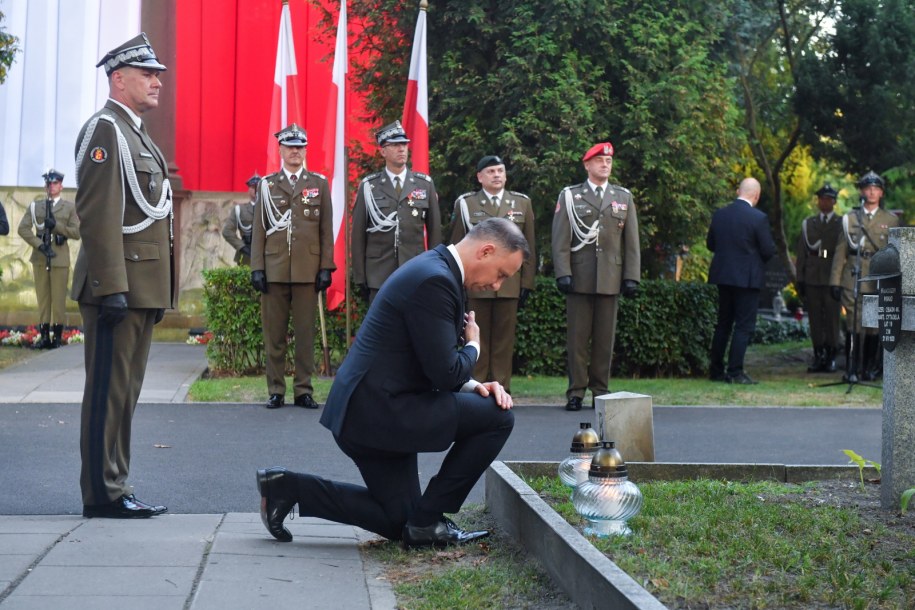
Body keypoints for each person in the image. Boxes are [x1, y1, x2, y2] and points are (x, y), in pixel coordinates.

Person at [255, 218, 526, 549]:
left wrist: (475, 387)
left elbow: (432, 361)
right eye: (501, 274)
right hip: (379, 413)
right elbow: (445, 373)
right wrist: (474, 346)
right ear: (486, 250)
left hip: (369, 410)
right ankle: (430, 519)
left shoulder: (435, 269)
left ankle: (287, 488)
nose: (498, 285)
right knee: (498, 417)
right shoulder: (436, 281)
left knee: (404, 523)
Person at [71, 33, 172, 518]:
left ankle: (117, 484)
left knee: (124, 394)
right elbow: (97, 215)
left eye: (158, 75)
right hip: (118, 288)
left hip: (140, 288)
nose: (157, 82)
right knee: (108, 394)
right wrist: (111, 287)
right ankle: (103, 493)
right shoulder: (106, 131)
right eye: (147, 74)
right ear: (119, 78)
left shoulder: (133, 131)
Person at [250, 123, 335, 409]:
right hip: (274, 269)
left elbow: (326, 229)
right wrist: (257, 267)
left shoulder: (318, 184)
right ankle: (276, 389)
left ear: (305, 150)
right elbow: (259, 229)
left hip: (306, 270)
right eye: (290, 147)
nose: (295, 152)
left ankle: (303, 390)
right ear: (281, 150)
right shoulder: (267, 185)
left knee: (304, 334)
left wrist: (326, 266)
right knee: (274, 335)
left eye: (300, 147)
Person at [551, 141, 640, 411]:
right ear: (587, 164)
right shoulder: (570, 196)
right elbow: (560, 239)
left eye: (609, 161)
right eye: (600, 160)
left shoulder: (623, 197)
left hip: (610, 277)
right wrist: (563, 272)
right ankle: (576, 391)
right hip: (579, 276)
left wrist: (631, 276)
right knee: (577, 339)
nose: (605, 164)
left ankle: (600, 390)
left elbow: (632, 241)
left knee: (604, 340)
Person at [449, 155, 535, 392]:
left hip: (508, 283)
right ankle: (476, 386)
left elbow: (529, 247)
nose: (497, 175)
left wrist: (526, 282)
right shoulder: (467, 204)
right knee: (476, 338)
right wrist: (458, 282)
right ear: (480, 177)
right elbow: (457, 244)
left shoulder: (521, 204)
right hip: (476, 283)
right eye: (491, 171)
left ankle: (502, 388)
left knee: (503, 342)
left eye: (500, 170)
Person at [351, 120, 441, 304]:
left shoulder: (424, 184)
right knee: (382, 329)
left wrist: (435, 269)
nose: (401, 149)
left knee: (413, 325)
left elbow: (434, 231)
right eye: (395, 145)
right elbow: (358, 234)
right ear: (383, 151)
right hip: (378, 272)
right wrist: (360, 276)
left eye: (404, 144)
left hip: (415, 269)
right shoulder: (369, 186)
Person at [829, 170, 899, 381]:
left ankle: (869, 368)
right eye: (867, 188)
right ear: (861, 191)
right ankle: (851, 369)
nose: (871, 192)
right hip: (854, 276)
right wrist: (835, 280)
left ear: (881, 193)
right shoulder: (850, 219)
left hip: (878, 278)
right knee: (853, 322)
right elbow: (840, 250)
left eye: (875, 189)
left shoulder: (891, 220)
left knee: (873, 325)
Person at [707, 178, 777, 385]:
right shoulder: (758, 218)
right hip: (747, 278)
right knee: (743, 326)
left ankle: (716, 369)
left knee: (723, 324)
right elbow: (768, 250)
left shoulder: (720, 214)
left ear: (738, 191)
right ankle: (735, 371)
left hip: (723, 276)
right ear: (756, 195)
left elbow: (711, 244)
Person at [17, 168, 80, 348]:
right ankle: (44, 336)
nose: (51, 186)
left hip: (59, 258)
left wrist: (57, 226)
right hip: (40, 257)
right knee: (43, 299)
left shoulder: (69, 207)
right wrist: (39, 244)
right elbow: (23, 228)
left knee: (58, 299)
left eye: (55, 183)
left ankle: (57, 338)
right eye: (49, 183)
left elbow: (76, 233)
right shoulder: (36, 206)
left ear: (61, 186)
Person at [795, 183, 842, 373]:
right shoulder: (809, 223)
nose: (825, 202)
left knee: (832, 319)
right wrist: (800, 278)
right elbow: (802, 253)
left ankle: (831, 356)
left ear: (834, 202)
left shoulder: (841, 223)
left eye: (829, 199)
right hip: (813, 276)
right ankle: (818, 355)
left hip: (832, 275)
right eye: (822, 198)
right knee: (815, 319)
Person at [222, 173, 260, 266]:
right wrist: (242, 247)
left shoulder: (272, 209)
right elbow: (227, 231)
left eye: (258, 187)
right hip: (247, 255)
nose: (255, 190)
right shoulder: (240, 210)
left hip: (268, 255)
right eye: (252, 187)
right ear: (248, 190)